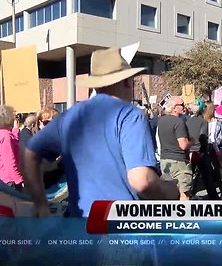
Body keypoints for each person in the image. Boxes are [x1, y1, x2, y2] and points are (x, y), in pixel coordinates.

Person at [24, 47, 179, 217]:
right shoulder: (130, 115)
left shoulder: (69, 116)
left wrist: (40, 202)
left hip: (78, 226)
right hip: (119, 228)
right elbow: (142, 181)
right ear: (127, 81)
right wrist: (169, 191)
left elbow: (30, 153)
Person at [158, 96, 194, 200]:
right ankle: (184, 215)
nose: (184, 107)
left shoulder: (161, 121)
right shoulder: (178, 122)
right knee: (184, 194)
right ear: (174, 107)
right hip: (179, 162)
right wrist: (192, 141)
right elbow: (183, 145)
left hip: (165, 161)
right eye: (182, 105)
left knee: (169, 193)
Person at [0, 106, 23, 191]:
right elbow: (9, 161)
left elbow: (13, 142)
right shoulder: (6, 136)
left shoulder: (4, 134)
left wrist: (15, 129)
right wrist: (19, 179)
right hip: (10, 181)